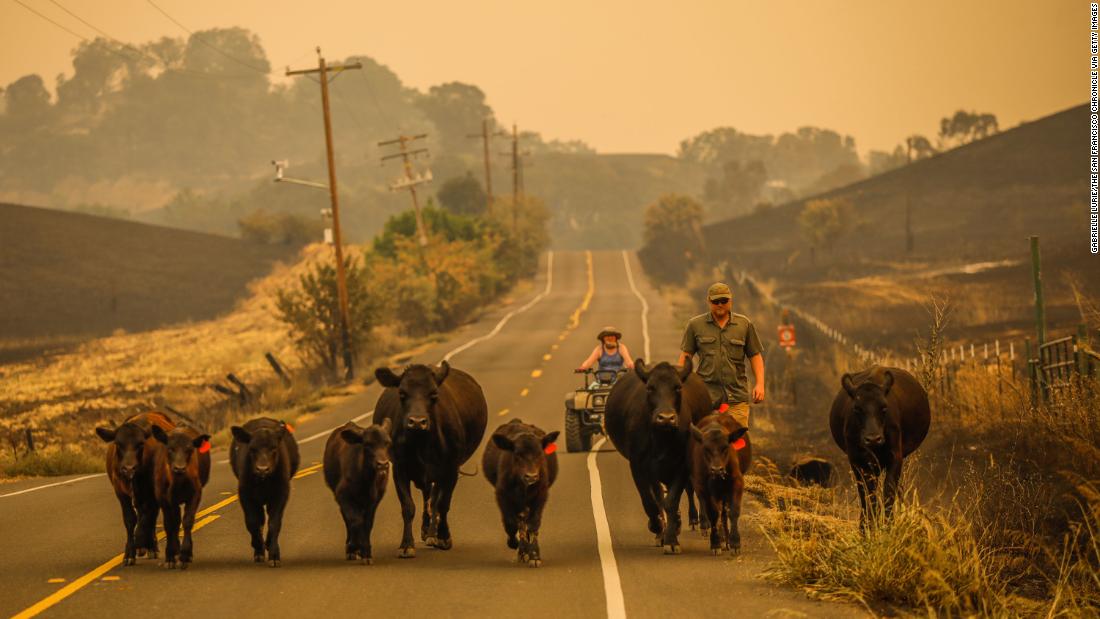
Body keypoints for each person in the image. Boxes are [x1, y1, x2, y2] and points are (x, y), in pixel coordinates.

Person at [677, 282, 764, 427]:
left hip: (736, 398)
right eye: (716, 301)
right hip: (706, 399)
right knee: (706, 442)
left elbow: (755, 356)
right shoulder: (695, 325)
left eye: (724, 301)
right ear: (709, 301)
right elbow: (686, 357)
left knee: (737, 443)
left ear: (731, 300)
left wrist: (760, 384)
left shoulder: (744, 325)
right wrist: (680, 385)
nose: (720, 304)